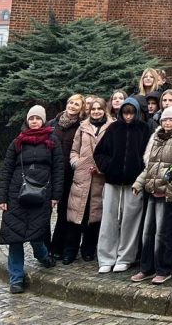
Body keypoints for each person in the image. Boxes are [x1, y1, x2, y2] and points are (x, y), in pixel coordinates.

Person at [0, 105, 64, 294]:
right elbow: (6, 170)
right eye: (31, 118)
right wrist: (1, 198)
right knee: (14, 237)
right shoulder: (17, 142)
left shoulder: (52, 141)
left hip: (42, 193)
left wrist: (56, 196)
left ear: (43, 120)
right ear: (27, 120)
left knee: (36, 233)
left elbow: (58, 170)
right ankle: (16, 278)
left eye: (38, 118)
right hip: (16, 194)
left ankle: (43, 255)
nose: (34, 121)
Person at [131, 107, 172, 284]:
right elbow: (150, 166)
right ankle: (146, 268)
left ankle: (163, 269)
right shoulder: (157, 138)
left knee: (162, 235)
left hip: (167, 195)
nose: (167, 123)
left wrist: (171, 191)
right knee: (147, 233)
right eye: (164, 120)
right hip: (152, 192)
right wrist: (139, 183)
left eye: (171, 120)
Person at [93, 95, 148, 273]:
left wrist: (140, 171)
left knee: (130, 221)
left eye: (131, 113)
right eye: (125, 113)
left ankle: (125, 257)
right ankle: (106, 258)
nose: (128, 117)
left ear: (136, 113)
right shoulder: (113, 128)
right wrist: (108, 167)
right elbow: (99, 152)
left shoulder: (143, 129)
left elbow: (148, 155)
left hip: (134, 183)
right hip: (112, 181)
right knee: (109, 219)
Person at [66, 95, 109, 263]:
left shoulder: (111, 127)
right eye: (93, 109)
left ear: (104, 110)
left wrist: (102, 168)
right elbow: (74, 150)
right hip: (82, 176)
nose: (96, 112)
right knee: (76, 214)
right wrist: (76, 163)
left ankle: (88, 249)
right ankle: (70, 250)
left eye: (99, 109)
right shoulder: (82, 127)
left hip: (99, 178)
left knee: (94, 215)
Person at [48, 94, 83, 260]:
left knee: (64, 213)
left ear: (81, 108)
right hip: (51, 173)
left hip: (69, 174)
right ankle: (45, 246)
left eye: (77, 104)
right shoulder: (52, 124)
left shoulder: (81, 127)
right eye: (71, 102)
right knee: (45, 212)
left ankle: (58, 247)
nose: (73, 106)